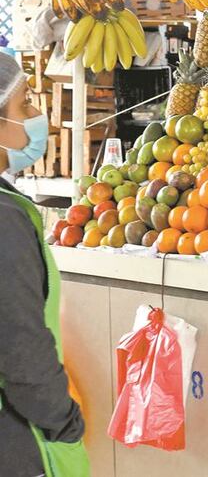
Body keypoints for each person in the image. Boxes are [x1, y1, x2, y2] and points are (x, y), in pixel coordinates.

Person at [0, 53, 90, 476]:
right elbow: (20, 346)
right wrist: (65, 422)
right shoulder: (3, 219)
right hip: (15, 441)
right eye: (24, 106)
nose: (37, 117)